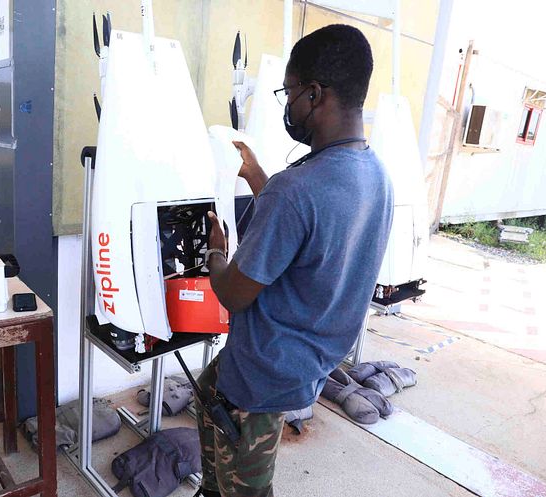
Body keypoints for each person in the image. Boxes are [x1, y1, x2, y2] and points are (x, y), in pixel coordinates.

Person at [193, 24, 394, 497]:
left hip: (264, 373)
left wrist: (216, 252)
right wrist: (259, 175)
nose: (287, 105)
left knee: (246, 485)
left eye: (289, 92)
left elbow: (236, 293)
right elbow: (310, 236)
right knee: (207, 389)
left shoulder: (297, 188)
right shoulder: (374, 175)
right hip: (307, 359)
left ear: (314, 94)